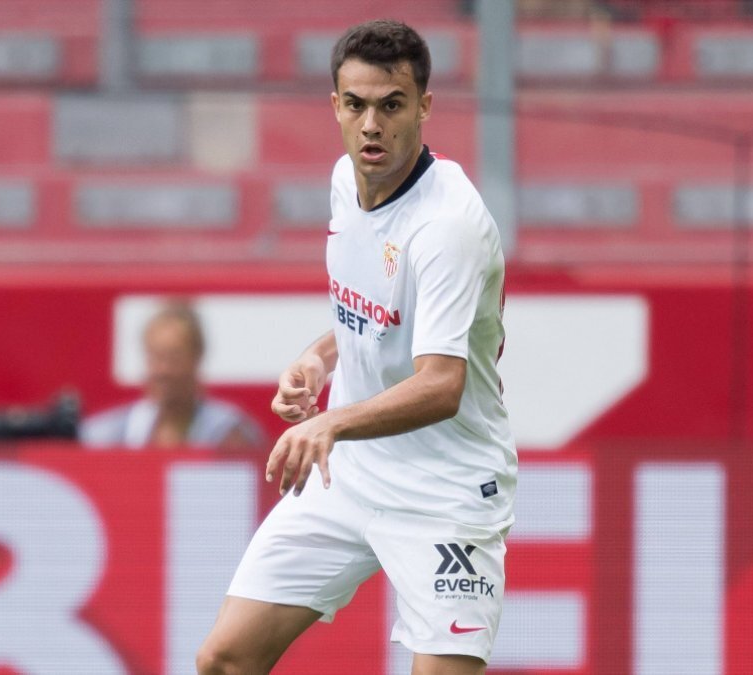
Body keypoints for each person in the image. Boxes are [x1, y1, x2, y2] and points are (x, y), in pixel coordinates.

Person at [197, 19, 516, 675]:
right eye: (357, 105)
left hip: (445, 489)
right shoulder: (347, 179)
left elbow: (442, 384)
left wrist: (331, 422)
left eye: (392, 105)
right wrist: (318, 361)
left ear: (424, 107)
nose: (372, 125)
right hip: (350, 473)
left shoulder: (448, 226)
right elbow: (372, 316)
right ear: (336, 106)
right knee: (225, 660)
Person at [79, 301, 264, 450]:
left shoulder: (228, 431)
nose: (163, 371)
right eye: (155, 357)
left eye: (173, 358)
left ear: (197, 357)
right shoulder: (115, 433)